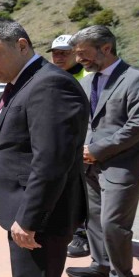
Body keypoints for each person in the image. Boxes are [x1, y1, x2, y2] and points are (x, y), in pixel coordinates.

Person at [0, 18, 89, 277]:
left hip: (40, 218)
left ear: (21, 46)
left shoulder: (49, 84)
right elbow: (16, 149)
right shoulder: (23, 82)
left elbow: (51, 161)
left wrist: (29, 218)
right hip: (25, 207)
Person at [65, 25, 139, 277]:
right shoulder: (87, 82)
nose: (79, 60)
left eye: (83, 54)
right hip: (91, 166)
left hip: (124, 167)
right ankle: (102, 265)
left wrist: (96, 150)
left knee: (113, 224)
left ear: (105, 48)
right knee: (93, 219)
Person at [47, 34, 90, 258]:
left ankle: (83, 235)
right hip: (59, 143)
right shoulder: (51, 75)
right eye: (55, 52)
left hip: (81, 144)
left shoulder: (87, 77)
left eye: (64, 52)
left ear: (76, 53)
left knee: (83, 191)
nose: (59, 57)